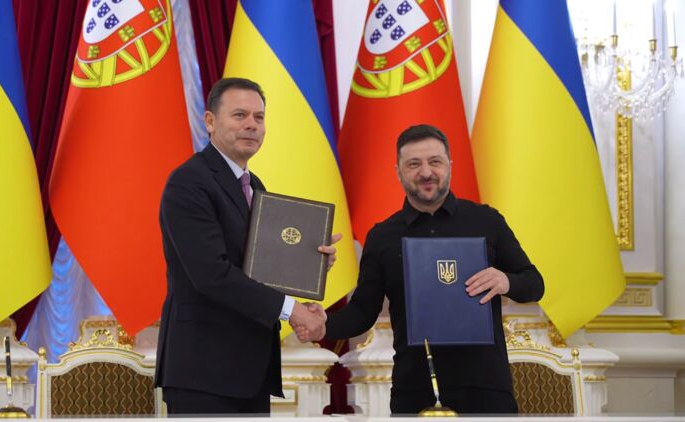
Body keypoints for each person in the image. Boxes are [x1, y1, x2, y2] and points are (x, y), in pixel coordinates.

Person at [295, 124, 544, 415]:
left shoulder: (487, 221)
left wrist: (505, 281)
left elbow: (534, 283)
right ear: (398, 172)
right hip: (414, 390)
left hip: (486, 389)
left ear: (450, 165)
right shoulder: (383, 236)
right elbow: (363, 311)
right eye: (414, 164)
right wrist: (325, 324)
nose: (426, 172)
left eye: (435, 161)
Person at [155, 77, 331, 415]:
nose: (252, 124)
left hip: (251, 369)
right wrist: (291, 310)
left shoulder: (255, 186)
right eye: (239, 115)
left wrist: (311, 263)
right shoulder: (189, 182)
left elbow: (260, 266)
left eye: (259, 117)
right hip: (204, 372)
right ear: (210, 121)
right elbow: (212, 274)